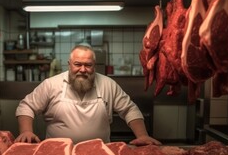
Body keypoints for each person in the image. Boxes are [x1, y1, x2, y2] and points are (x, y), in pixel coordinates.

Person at [15, 44, 161, 146]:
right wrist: (26, 131)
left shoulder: (108, 84)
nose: (83, 70)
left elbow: (129, 109)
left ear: (94, 66)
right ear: (69, 64)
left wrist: (142, 135)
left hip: (100, 154)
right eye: (77, 64)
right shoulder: (51, 84)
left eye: (88, 65)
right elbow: (27, 106)